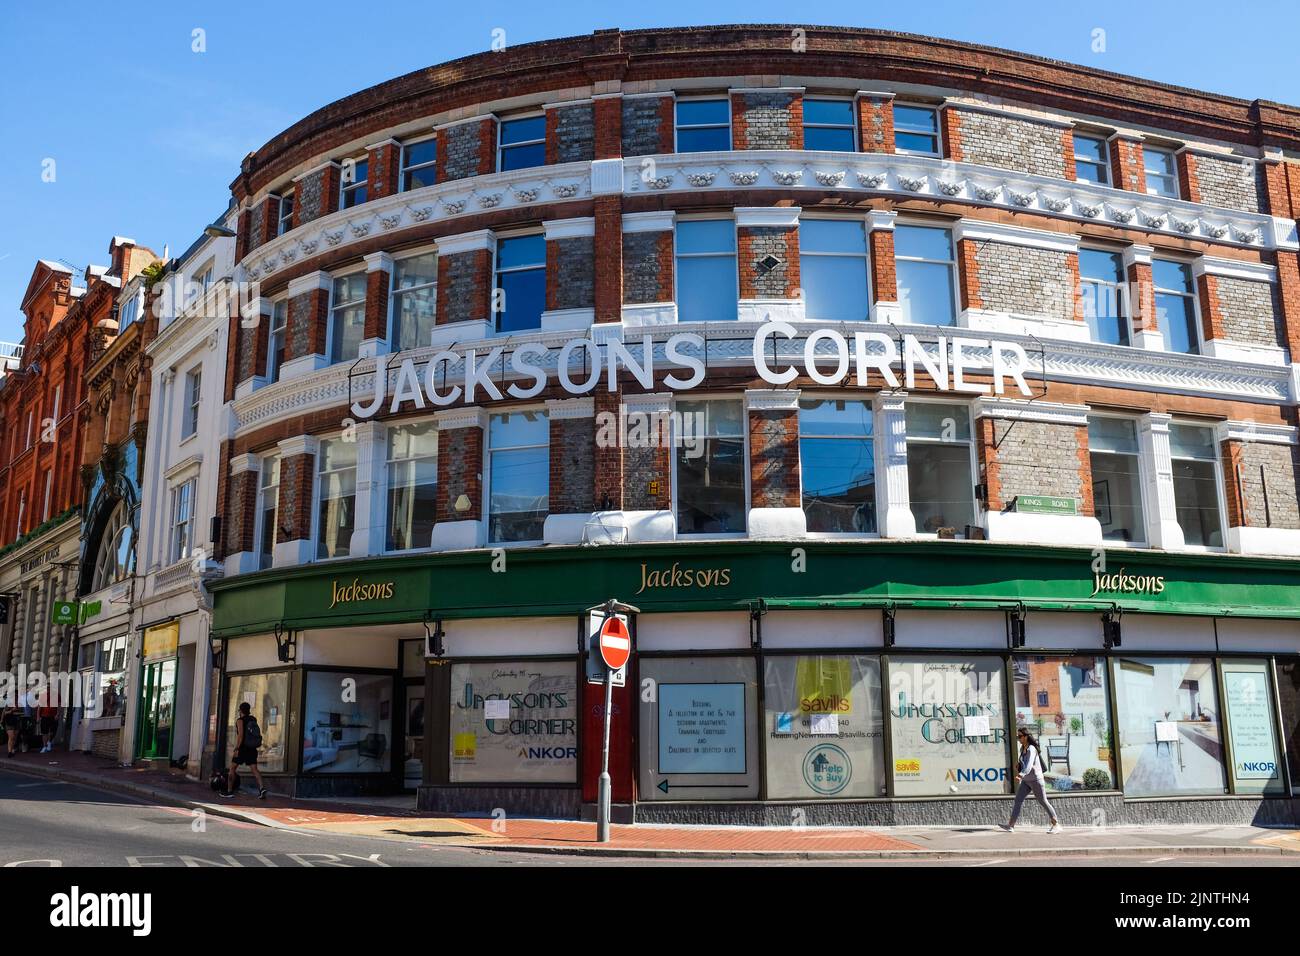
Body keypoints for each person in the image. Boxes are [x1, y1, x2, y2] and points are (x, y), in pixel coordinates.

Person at [1000, 728, 1062, 833]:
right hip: (1026, 780)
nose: (1018, 739)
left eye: (1020, 736)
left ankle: (1056, 824)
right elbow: (1024, 763)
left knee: (1043, 801)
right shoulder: (1022, 749)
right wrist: (1019, 766)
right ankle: (1011, 825)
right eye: (1017, 737)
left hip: (1036, 780)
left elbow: (1029, 764)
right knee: (1018, 800)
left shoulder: (1031, 749)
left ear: (1026, 737)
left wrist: (1021, 774)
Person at [221, 702, 268, 799]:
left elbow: (240, 735)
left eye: (239, 710)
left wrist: (237, 748)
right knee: (255, 769)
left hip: (242, 749)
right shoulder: (253, 719)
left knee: (232, 769)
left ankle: (229, 791)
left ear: (241, 711)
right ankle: (262, 788)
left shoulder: (240, 720)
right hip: (252, 748)